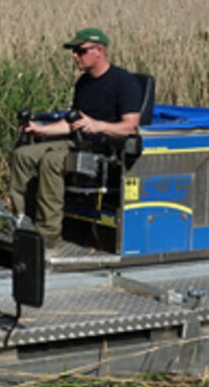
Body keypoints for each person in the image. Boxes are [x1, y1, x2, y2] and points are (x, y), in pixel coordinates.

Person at [8, 27, 143, 252]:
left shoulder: (124, 82)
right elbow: (70, 123)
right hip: (78, 142)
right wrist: (39, 130)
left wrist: (98, 125)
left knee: (52, 161)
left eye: (80, 51)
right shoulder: (83, 83)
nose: (74, 56)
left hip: (104, 150)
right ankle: (23, 223)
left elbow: (130, 127)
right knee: (22, 155)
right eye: (73, 51)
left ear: (99, 50)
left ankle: (47, 238)